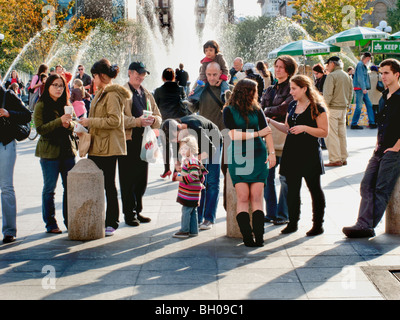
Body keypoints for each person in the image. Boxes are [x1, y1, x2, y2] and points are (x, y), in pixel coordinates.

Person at [343, 59, 400, 238]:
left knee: (381, 188)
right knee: (366, 184)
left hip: (394, 150)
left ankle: (366, 225)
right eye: (381, 73)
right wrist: (377, 142)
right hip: (380, 148)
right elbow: (382, 123)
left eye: (386, 73)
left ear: (397, 74)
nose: (382, 76)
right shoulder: (384, 96)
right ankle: (363, 223)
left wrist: (397, 147)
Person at [267, 75, 328, 236]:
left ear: (304, 89)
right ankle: (293, 222)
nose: (291, 92)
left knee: (314, 188)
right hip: (292, 151)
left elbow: (324, 132)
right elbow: (288, 128)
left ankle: (318, 224)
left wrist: (305, 128)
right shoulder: (292, 105)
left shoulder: (317, 107)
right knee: (292, 190)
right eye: (291, 88)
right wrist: (271, 122)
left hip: (309, 153)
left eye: (294, 88)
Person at [78, 59, 131, 236]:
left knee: (108, 184)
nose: (92, 80)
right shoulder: (101, 93)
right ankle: (100, 218)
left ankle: (112, 222)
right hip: (98, 145)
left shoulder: (112, 95)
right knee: (99, 183)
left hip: (108, 147)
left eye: (94, 76)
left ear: (102, 76)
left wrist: (90, 121)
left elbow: (115, 120)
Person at [223, 79, 276, 247]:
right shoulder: (228, 110)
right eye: (255, 91)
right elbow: (233, 135)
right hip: (238, 156)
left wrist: (272, 153)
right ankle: (247, 237)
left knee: (256, 197)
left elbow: (267, 132)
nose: (257, 94)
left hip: (259, 155)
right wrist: (256, 133)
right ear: (246, 92)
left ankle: (259, 237)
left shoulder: (257, 109)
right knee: (243, 197)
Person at [161, 113, 223, 230]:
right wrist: (177, 163)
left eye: (176, 137)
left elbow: (211, 149)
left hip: (213, 141)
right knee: (198, 181)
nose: (176, 141)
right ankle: (198, 217)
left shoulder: (194, 126)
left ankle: (209, 218)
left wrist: (194, 160)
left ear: (180, 127)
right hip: (198, 146)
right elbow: (175, 149)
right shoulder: (173, 131)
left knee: (212, 181)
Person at [119, 61, 162, 227]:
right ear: (130, 72)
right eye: (138, 73)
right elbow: (118, 119)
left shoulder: (146, 93)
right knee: (127, 179)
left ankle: (138, 210)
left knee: (141, 179)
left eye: (143, 73)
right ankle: (129, 214)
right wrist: (138, 121)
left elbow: (159, 116)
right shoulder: (123, 93)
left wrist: (153, 120)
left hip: (144, 141)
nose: (141, 76)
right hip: (128, 141)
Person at [190, 62, 231, 228]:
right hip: (201, 136)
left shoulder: (227, 90)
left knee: (213, 178)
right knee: (200, 178)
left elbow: (232, 107)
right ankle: (198, 216)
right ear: (205, 74)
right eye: (209, 75)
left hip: (217, 137)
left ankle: (209, 217)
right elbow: (192, 108)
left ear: (221, 73)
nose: (212, 78)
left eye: (215, 74)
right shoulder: (201, 88)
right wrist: (191, 96)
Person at [34, 74, 77, 234]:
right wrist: (60, 121)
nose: (59, 88)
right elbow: (40, 129)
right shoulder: (41, 105)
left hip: (67, 151)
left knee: (70, 188)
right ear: (48, 87)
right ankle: (50, 223)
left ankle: (70, 221)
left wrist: (69, 124)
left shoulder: (66, 103)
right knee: (50, 189)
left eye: (61, 86)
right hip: (49, 153)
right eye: (55, 85)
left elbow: (73, 124)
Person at [261, 55, 298, 225]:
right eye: (276, 66)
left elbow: (285, 108)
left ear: (289, 70)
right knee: (267, 178)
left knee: (285, 178)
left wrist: (269, 111)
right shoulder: (270, 89)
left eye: (281, 67)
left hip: (286, 138)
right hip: (269, 139)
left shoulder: (293, 88)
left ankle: (284, 214)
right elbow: (261, 110)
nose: (277, 69)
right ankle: (271, 212)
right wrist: (270, 111)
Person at [0, 86, 31, 243]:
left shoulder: (7, 95)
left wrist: (8, 113)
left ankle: (9, 231)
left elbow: (27, 116)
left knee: (6, 187)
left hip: (5, 144)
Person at [154, 68, 188, 178]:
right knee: (178, 146)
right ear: (174, 77)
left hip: (164, 122)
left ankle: (166, 170)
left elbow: (155, 106)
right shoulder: (180, 89)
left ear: (163, 77)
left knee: (165, 146)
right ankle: (176, 171)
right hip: (178, 121)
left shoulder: (159, 90)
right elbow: (185, 103)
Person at [172, 135, 208, 239]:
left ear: (191, 149)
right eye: (181, 148)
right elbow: (200, 175)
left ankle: (184, 230)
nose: (182, 151)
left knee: (186, 210)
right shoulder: (191, 161)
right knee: (193, 211)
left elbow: (193, 175)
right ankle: (193, 230)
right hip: (193, 192)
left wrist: (179, 178)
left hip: (189, 193)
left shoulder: (191, 161)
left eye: (185, 148)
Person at [323, 56, 353, 167]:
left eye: (327, 64)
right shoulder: (347, 75)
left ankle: (335, 159)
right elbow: (351, 93)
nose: (327, 66)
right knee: (342, 134)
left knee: (332, 134)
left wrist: (323, 108)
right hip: (343, 108)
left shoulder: (332, 76)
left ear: (332, 63)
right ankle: (343, 157)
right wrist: (347, 105)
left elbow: (328, 94)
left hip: (332, 108)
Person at [351, 52, 377, 129]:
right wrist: (363, 88)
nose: (369, 61)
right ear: (365, 58)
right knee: (359, 106)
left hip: (361, 89)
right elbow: (360, 77)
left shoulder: (361, 65)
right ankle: (354, 124)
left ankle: (372, 122)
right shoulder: (360, 65)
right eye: (368, 59)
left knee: (369, 105)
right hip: (360, 89)